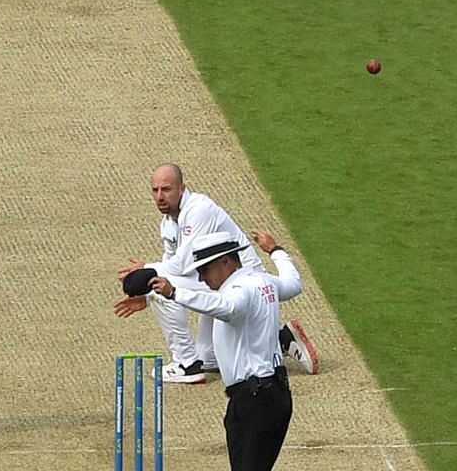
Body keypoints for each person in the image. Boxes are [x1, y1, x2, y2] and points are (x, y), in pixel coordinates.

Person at [144, 228, 300, 471]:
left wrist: (174, 292)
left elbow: (225, 308)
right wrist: (276, 249)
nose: (202, 277)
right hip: (274, 394)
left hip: (254, 399)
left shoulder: (239, 291)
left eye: (206, 270)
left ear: (226, 263)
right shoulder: (263, 282)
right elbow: (293, 283)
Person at [114, 163, 319, 382]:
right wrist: (147, 298)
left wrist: (149, 275)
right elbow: (174, 266)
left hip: (240, 280)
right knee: (209, 358)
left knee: (157, 287)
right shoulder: (168, 224)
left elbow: (180, 267)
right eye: (155, 190)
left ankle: (187, 365)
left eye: (166, 189)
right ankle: (280, 339)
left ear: (182, 188)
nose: (160, 196)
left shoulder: (198, 210)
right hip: (215, 280)